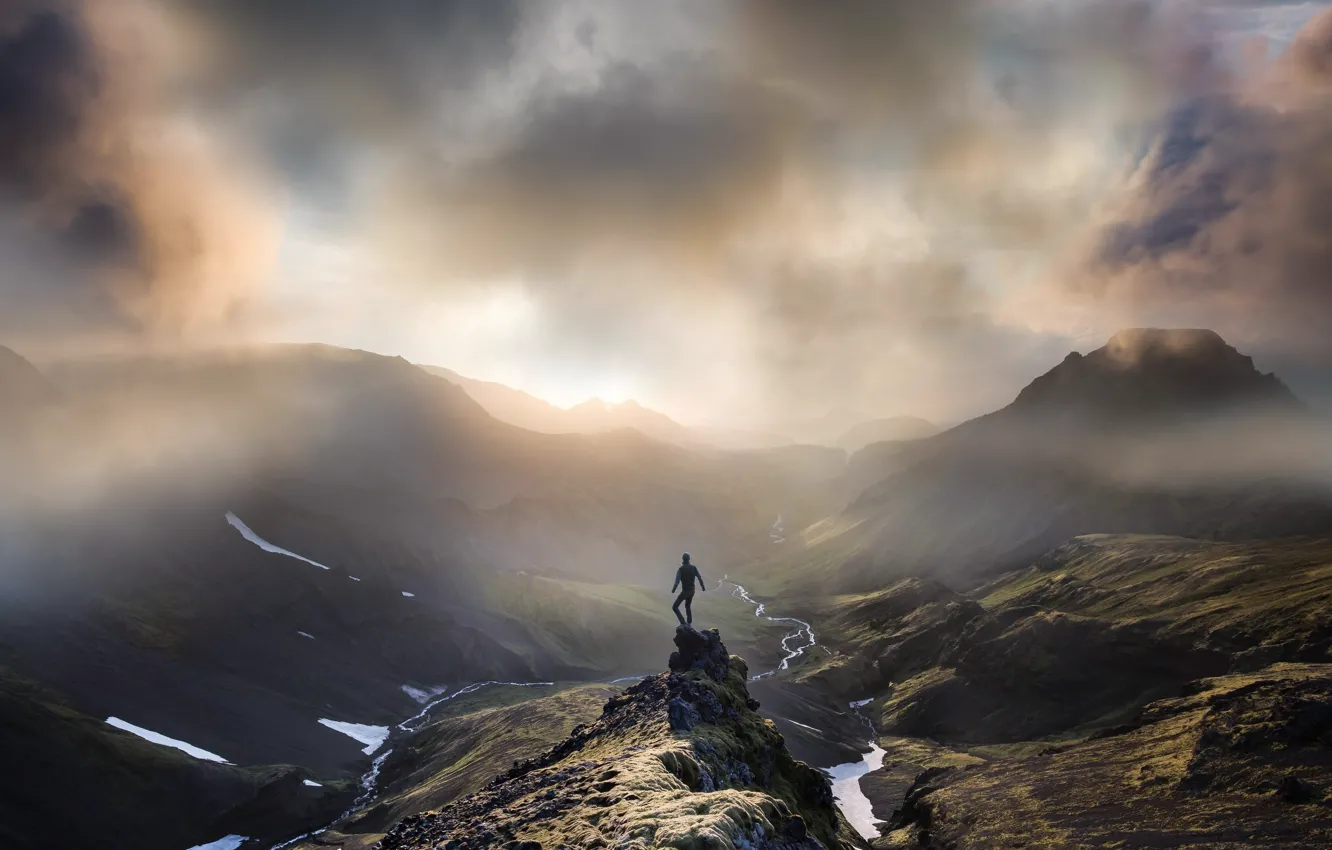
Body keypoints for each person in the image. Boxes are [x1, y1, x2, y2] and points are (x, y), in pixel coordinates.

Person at [671, 553, 705, 626]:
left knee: (675, 607)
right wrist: (703, 587)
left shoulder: (681, 569)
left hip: (685, 592)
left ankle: (683, 622)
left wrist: (673, 590)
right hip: (692, 591)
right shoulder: (693, 568)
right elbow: (699, 578)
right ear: (689, 559)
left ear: (682, 559)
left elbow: (677, 582)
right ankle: (689, 623)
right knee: (687, 606)